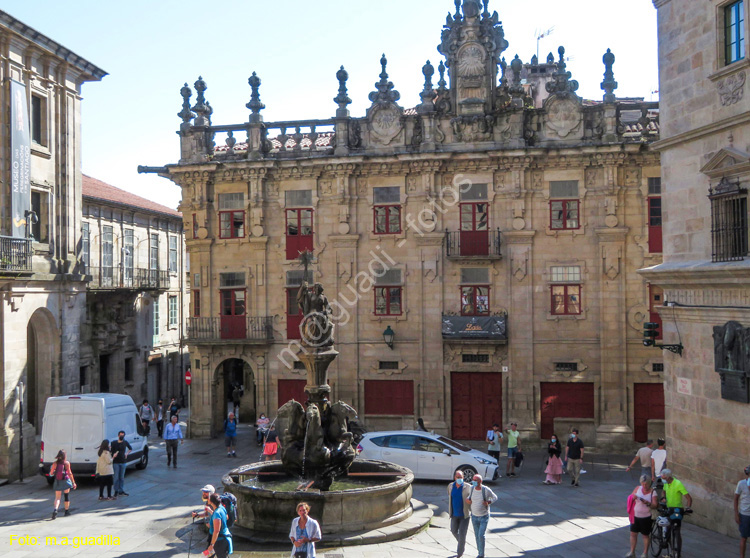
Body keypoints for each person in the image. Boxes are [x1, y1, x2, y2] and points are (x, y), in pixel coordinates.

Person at [659, 468, 692, 557]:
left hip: (677, 509)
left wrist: (688, 507)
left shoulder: (678, 484)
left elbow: (688, 497)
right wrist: (663, 497)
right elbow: (664, 491)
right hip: (669, 508)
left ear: (668, 477)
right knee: (668, 529)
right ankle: (672, 549)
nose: (663, 480)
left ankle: (678, 552)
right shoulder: (666, 483)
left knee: (677, 530)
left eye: (664, 478)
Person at [466, 474, 497, 558]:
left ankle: (481, 555)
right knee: (476, 535)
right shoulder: (471, 488)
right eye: (473, 480)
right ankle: (480, 551)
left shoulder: (485, 490)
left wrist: (488, 502)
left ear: (480, 481)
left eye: (476, 480)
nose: (474, 481)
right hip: (474, 516)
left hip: (484, 516)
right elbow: (470, 497)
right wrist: (468, 500)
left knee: (481, 535)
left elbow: (495, 497)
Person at [627, 474, 656, 558]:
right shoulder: (637, 488)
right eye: (643, 484)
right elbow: (630, 497)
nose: (644, 486)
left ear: (649, 483)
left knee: (645, 535)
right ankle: (632, 552)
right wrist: (634, 497)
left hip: (646, 517)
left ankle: (645, 553)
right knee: (633, 534)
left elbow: (655, 505)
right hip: (636, 516)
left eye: (646, 484)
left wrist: (647, 503)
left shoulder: (653, 492)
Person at [447, 470, 472, 558]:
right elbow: (450, 497)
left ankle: (459, 553)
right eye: (458, 477)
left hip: (464, 515)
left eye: (461, 477)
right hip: (454, 514)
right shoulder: (450, 486)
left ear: (463, 478)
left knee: (462, 534)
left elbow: (472, 497)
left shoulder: (468, 487)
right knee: (453, 531)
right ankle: (462, 542)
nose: (459, 479)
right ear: (455, 478)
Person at [49, 450, 76, 519]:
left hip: (58, 481)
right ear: (65, 456)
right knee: (66, 496)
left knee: (57, 497)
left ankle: (55, 510)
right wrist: (73, 482)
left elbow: (51, 473)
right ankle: (66, 511)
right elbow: (70, 473)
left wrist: (54, 471)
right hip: (66, 481)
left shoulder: (55, 463)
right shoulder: (66, 463)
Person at [206, 492, 233, 558]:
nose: (207, 499)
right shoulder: (221, 508)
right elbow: (226, 517)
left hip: (219, 541)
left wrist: (212, 544)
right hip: (221, 539)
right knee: (206, 555)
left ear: (212, 502)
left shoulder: (217, 513)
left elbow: (216, 531)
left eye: (209, 498)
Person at [735, 465, 750, 558]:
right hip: (745, 514)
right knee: (744, 538)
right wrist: (736, 513)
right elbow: (736, 498)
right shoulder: (741, 484)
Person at [110, 430, 131, 496]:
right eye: (121, 435)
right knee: (116, 477)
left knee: (121, 477)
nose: (122, 436)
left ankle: (121, 490)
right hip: (116, 462)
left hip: (123, 462)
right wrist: (113, 455)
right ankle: (116, 490)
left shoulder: (125, 442)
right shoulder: (114, 443)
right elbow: (111, 451)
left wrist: (126, 454)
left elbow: (130, 448)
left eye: (123, 435)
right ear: (118, 435)